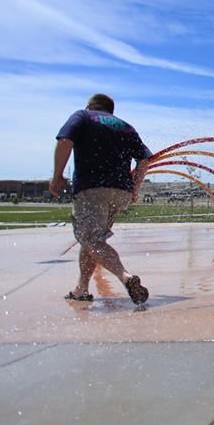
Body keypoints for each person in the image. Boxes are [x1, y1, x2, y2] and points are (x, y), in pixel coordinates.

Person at [50, 93, 151, 304]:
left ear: (89, 106)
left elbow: (65, 140)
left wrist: (57, 175)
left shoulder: (83, 116)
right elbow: (144, 159)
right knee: (93, 240)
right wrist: (135, 188)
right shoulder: (126, 126)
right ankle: (81, 289)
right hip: (120, 191)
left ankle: (126, 277)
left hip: (92, 188)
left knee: (91, 239)